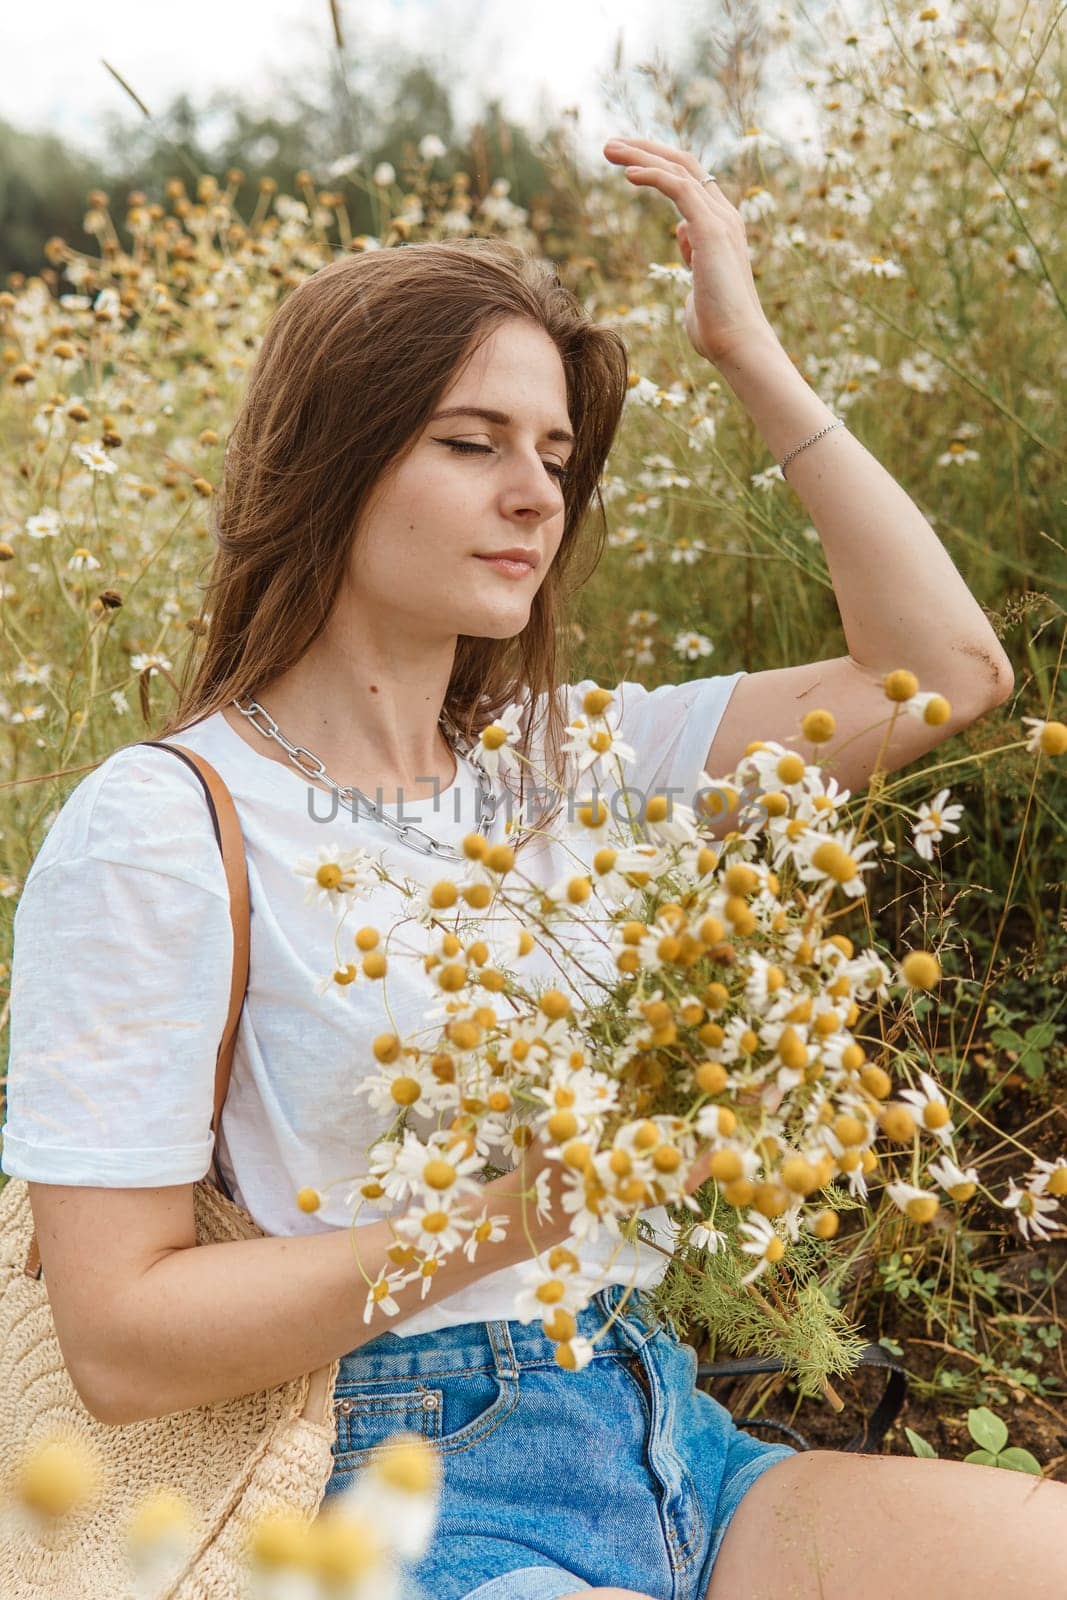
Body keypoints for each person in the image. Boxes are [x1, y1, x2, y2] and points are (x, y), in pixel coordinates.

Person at [3, 209, 1059, 1599]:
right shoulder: (163, 824)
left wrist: (744, 351)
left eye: (556, 455)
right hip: (373, 1479)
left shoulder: (574, 760)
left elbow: (948, 671)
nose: (535, 496)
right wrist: (544, 1204)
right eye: (470, 441)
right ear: (334, 456)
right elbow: (123, 1339)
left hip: (666, 1431)